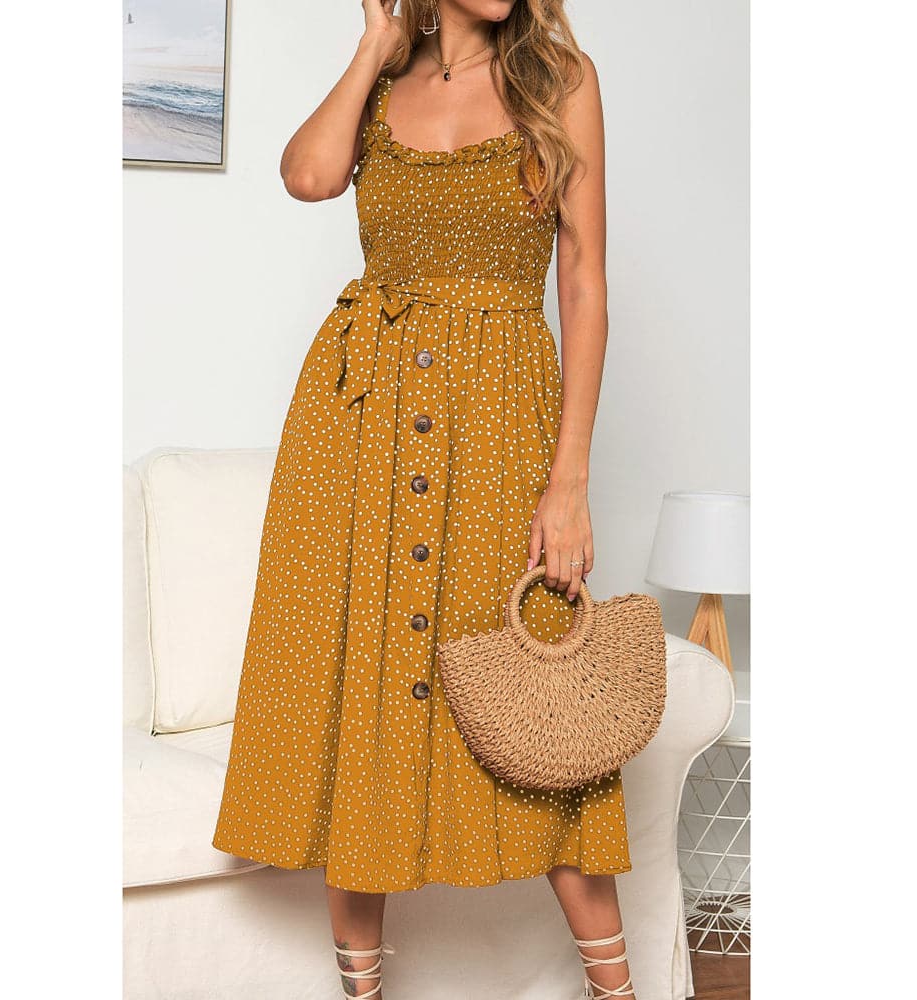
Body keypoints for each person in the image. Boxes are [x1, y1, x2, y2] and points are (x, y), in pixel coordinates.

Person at [212, 2, 637, 997]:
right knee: (361, 689)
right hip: (357, 426)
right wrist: (373, 45)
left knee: (545, 711)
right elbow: (308, 176)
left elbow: (584, 280)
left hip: (500, 423)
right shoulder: (382, 81)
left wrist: (569, 479)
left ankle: (619, 990)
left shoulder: (562, 81)